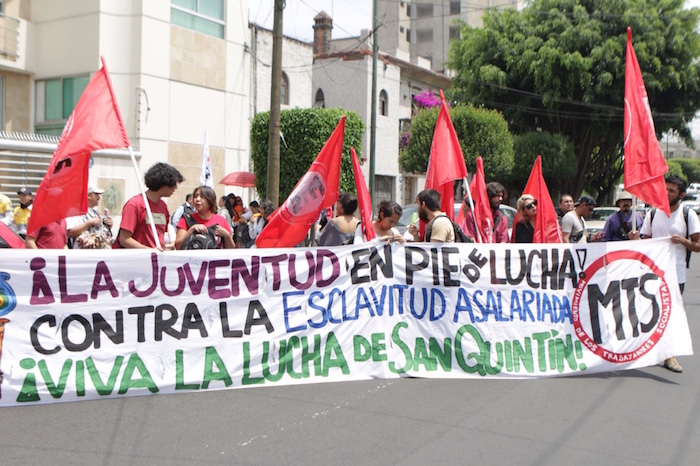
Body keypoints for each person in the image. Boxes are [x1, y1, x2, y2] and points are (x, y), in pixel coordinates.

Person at [630, 174, 700, 373]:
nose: (667, 193)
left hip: (676, 273)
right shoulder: (653, 214)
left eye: (672, 190)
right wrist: (634, 239)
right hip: (651, 273)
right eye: (666, 189)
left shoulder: (688, 215)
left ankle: (670, 355)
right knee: (648, 311)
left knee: (670, 314)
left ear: (682, 194)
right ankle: (648, 350)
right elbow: (645, 242)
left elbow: (697, 245)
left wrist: (683, 242)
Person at [117, 162, 184, 249]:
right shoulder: (135, 204)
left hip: (157, 260)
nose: (175, 188)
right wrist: (150, 251)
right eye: (173, 184)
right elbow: (124, 239)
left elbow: (162, 234)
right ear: (163, 183)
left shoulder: (163, 206)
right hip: (139, 259)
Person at [66, 185, 113, 249]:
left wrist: (108, 225)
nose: (99, 198)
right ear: (89, 196)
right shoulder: (74, 211)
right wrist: (89, 223)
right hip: (83, 255)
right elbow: (70, 232)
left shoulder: (95, 211)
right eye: (96, 194)